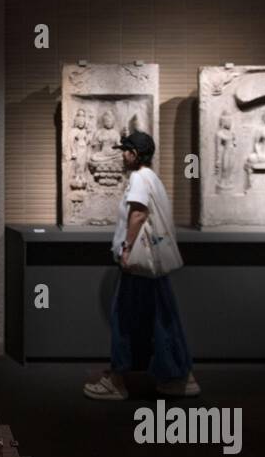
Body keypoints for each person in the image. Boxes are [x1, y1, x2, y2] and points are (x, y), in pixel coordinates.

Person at [84, 130, 199, 401]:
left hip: (139, 263)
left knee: (123, 318)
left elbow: (138, 214)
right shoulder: (152, 178)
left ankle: (118, 380)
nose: (122, 155)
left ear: (134, 154)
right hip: (152, 265)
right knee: (162, 317)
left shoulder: (138, 178)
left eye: (125, 150)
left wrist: (125, 248)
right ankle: (181, 375)